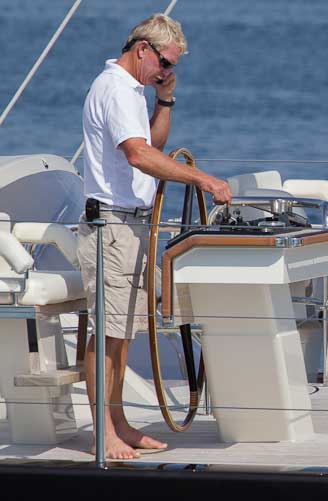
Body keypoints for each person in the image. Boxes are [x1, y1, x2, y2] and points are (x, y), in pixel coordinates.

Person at [77, 14, 232, 460]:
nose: (167, 72)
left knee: (123, 333)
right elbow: (139, 155)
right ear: (142, 48)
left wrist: (165, 100)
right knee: (107, 334)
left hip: (133, 223)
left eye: (172, 67)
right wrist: (201, 179)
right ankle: (103, 431)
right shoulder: (114, 89)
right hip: (112, 223)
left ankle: (119, 422)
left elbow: (153, 145)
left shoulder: (134, 92)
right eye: (164, 63)